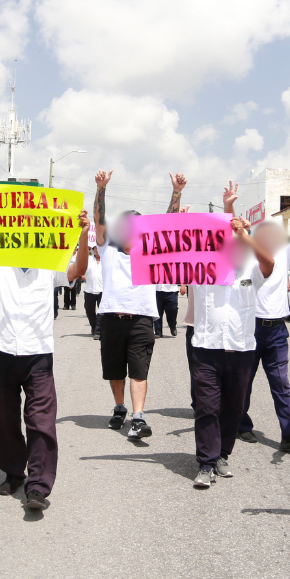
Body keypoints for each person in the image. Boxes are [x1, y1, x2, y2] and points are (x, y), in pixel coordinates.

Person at [0, 190, 89, 511]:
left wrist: (84, 234)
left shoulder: (51, 265)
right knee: (3, 419)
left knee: (41, 421)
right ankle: (14, 472)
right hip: (0, 353)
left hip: (38, 355)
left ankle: (38, 486)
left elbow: (78, 270)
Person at [230, 182, 290, 451]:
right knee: (244, 381)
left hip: (277, 330)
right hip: (250, 328)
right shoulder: (247, 256)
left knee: (281, 383)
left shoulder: (285, 255)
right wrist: (234, 216)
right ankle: (241, 424)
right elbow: (234, 232)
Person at [94, 170, 187, 440]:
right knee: (114, 371)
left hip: (142, 320)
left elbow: (169, 223)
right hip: (112, 319)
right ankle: (119, 407)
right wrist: (101, 189)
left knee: (138, 371)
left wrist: (176, 192)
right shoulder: (107, 249)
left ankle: (138, 418)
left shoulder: (151, 251)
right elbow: (99, 218)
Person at [189, 215, 278, 488]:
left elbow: (269, 262)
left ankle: (222, 455)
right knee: (206, 408)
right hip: (206, 350)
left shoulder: (252, 270)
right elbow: (170, 252)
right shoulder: (200, 269)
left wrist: (244, 233)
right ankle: (206, 462)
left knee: (233, 409)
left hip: (241, 352)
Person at [82, 246, 103, 339]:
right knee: (89, 310)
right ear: (93, 250)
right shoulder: (88, 259)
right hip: (90, 289)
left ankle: (98, 331)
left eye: (99, 248)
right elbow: (81, 267)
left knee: (102, 311)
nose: (97, 250)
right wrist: (82, 275)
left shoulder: (106, 259)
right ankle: (94, 326)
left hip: (103, 290)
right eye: (95, 248)